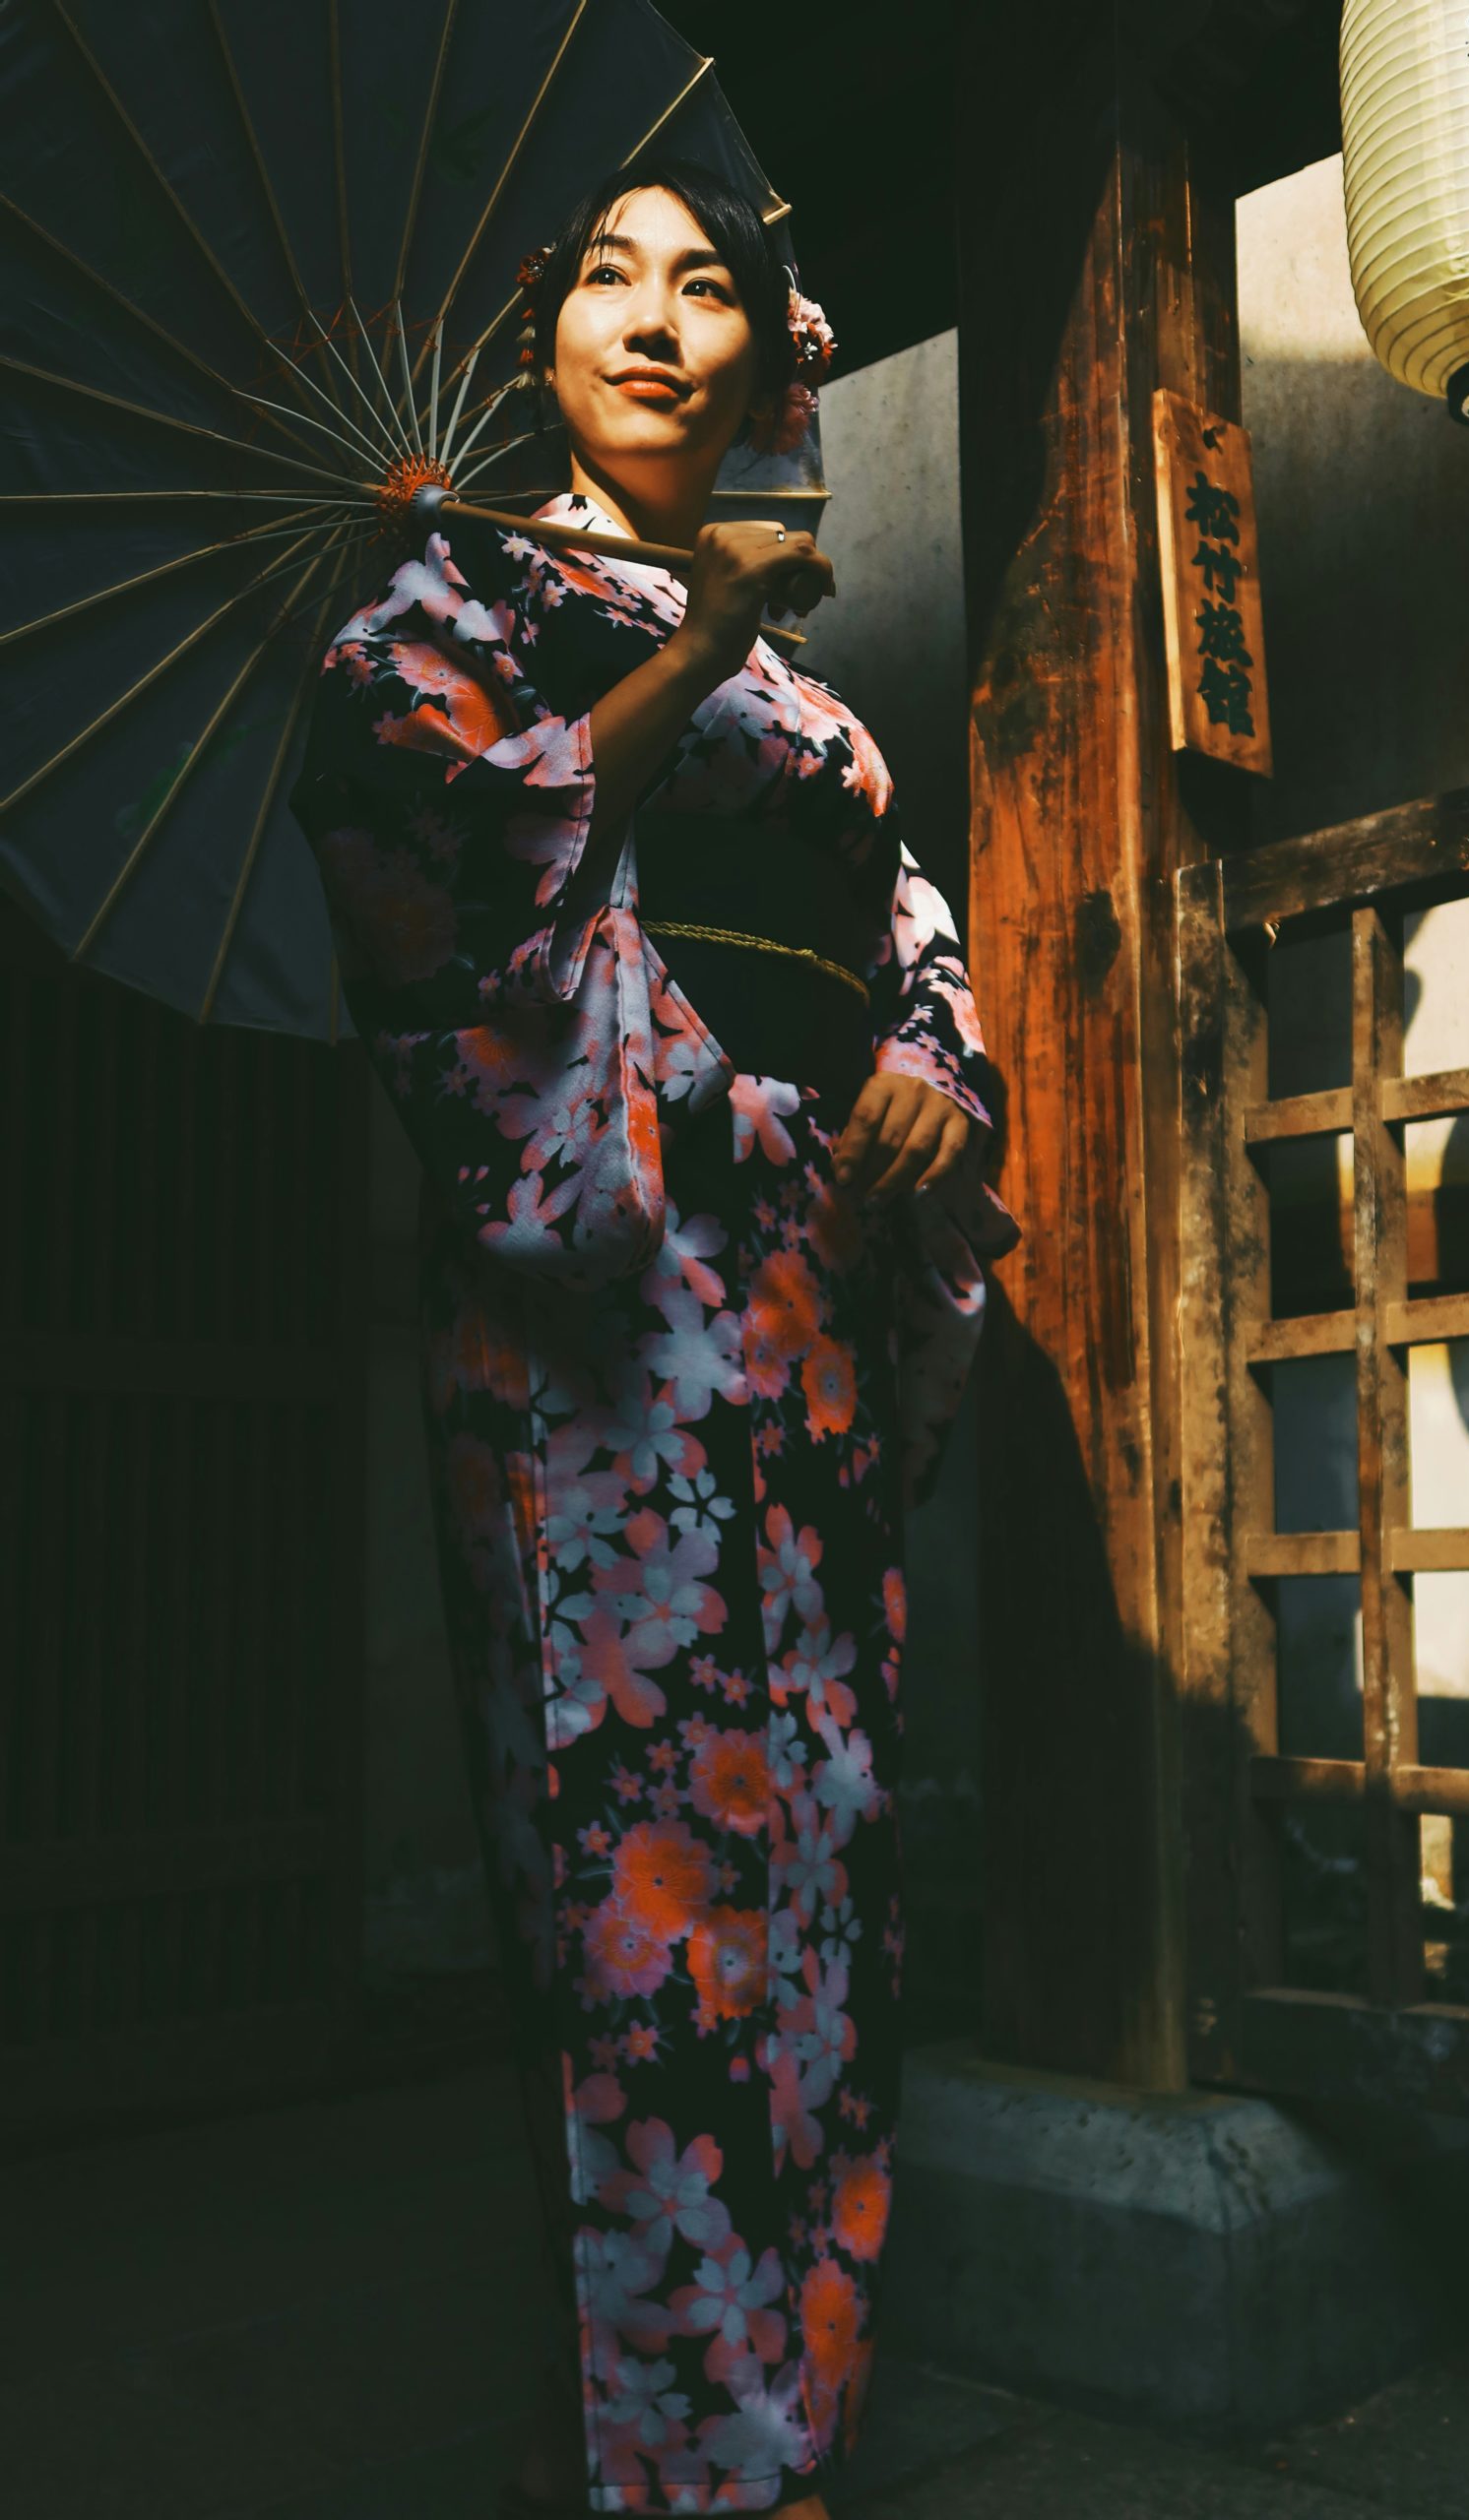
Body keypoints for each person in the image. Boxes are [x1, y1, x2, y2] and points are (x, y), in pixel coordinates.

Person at [290, 156, 1014, 2519]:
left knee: (812, 1868)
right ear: (543, 343)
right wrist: (682, 645)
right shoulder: (457, 592)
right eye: (607, 274)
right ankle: (689, 2462)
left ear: (764, 354)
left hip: (799, 1307)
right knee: (642, 1897)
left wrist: (926, 1060)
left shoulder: (811, 671)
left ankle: (772, 2418)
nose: (654, 317)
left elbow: (904, 916)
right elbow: (430, 869)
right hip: (610, 1315)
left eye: (708, 285)